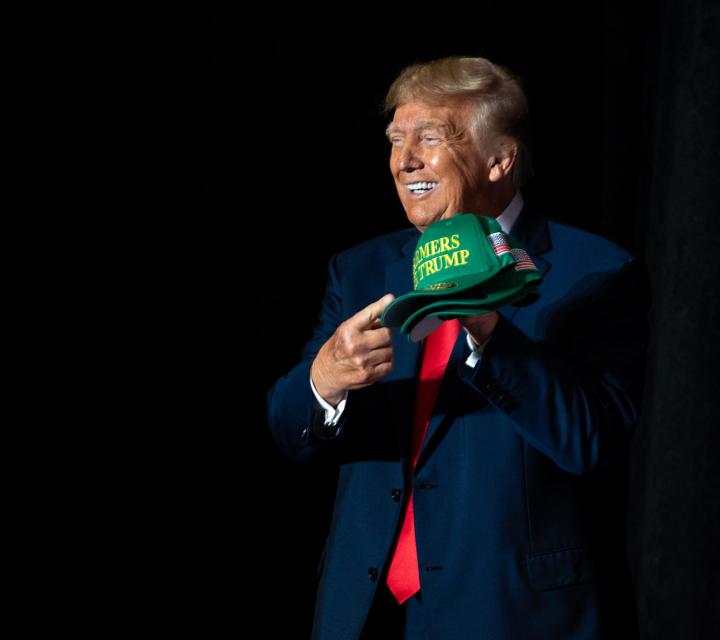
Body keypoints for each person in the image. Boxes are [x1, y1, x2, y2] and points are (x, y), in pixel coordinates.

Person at [266, 56, 649, 639]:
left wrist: (489, 329)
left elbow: (591, 442)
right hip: (364, 615)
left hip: (509, 615)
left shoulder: (596, 273)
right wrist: (325, 381)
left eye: (430, 138)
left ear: (501, 159)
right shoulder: (361, 269)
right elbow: (287, 429)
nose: (405, 160)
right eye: (396, 140)